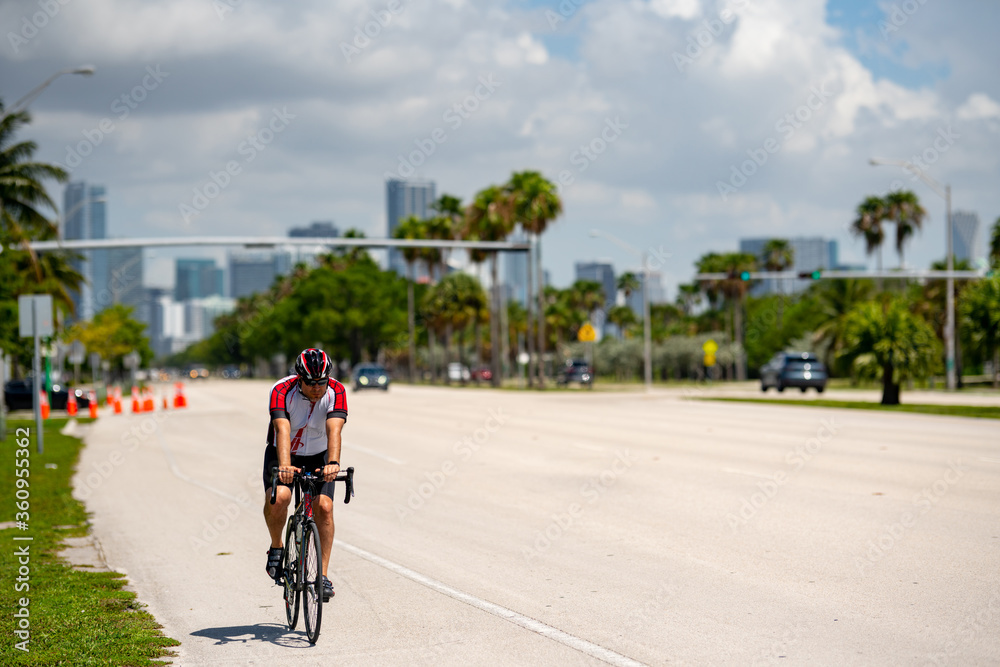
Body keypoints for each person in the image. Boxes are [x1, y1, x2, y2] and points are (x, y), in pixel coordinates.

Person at [263, 348, 347, 602]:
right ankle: (277, 546)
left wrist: (333, 463)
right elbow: (282, 428)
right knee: (280, 497)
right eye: (310, 382)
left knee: (324, 506)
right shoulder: (281, 390)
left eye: (322, 382)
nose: (317, 388)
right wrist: (286, 466)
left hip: (319, 454)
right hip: (284, 453)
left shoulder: (337, 391)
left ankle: (322, 574)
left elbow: (335, 429)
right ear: (299, 377)